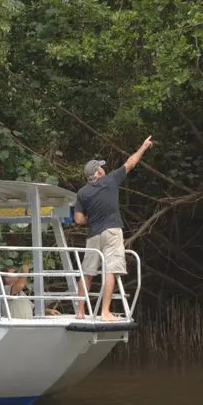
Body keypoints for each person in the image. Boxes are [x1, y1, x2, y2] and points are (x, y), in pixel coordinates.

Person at [74, 135, 153, 321]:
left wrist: (91, 218)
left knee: (87, 273)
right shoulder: (110, 180)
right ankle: (105, 312)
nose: (104, 168)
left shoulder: (82, 193)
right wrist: (143, 147)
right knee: (110, 270)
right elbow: (130, 162)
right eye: (101, 167)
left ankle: (80, 312)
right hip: (112, 232)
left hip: (93, 235)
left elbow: (78, 219)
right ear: (98, 171)